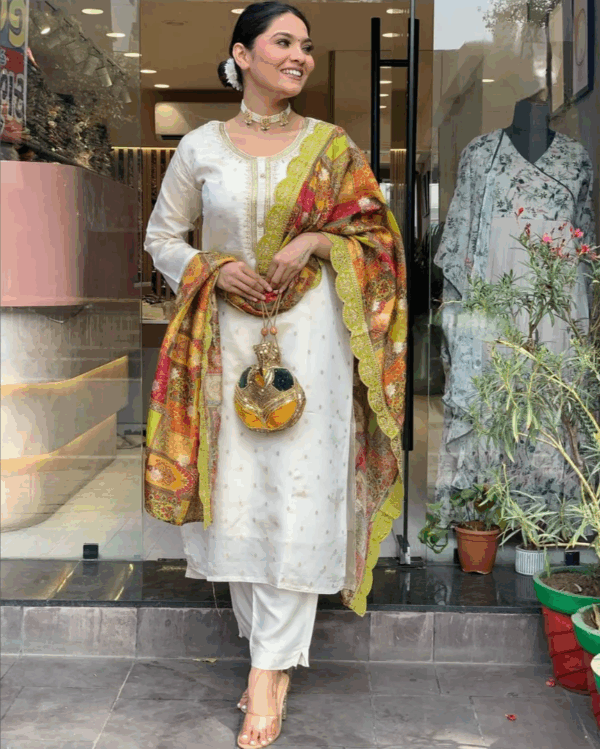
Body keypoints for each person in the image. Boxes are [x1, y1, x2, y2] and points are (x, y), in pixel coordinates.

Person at [143, 3, 407, 747]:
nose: (299, 57)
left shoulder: (332, 146)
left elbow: (379, 241)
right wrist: (211, 266)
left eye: (306, 47)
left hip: (313, 340)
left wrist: (318, 241)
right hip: (226, 340)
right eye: (283, 43)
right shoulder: (200, 147)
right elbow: (161, 236)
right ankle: (271, 652)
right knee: (238, 492)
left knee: (299, 493)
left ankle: (267, 671)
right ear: (243, 55)